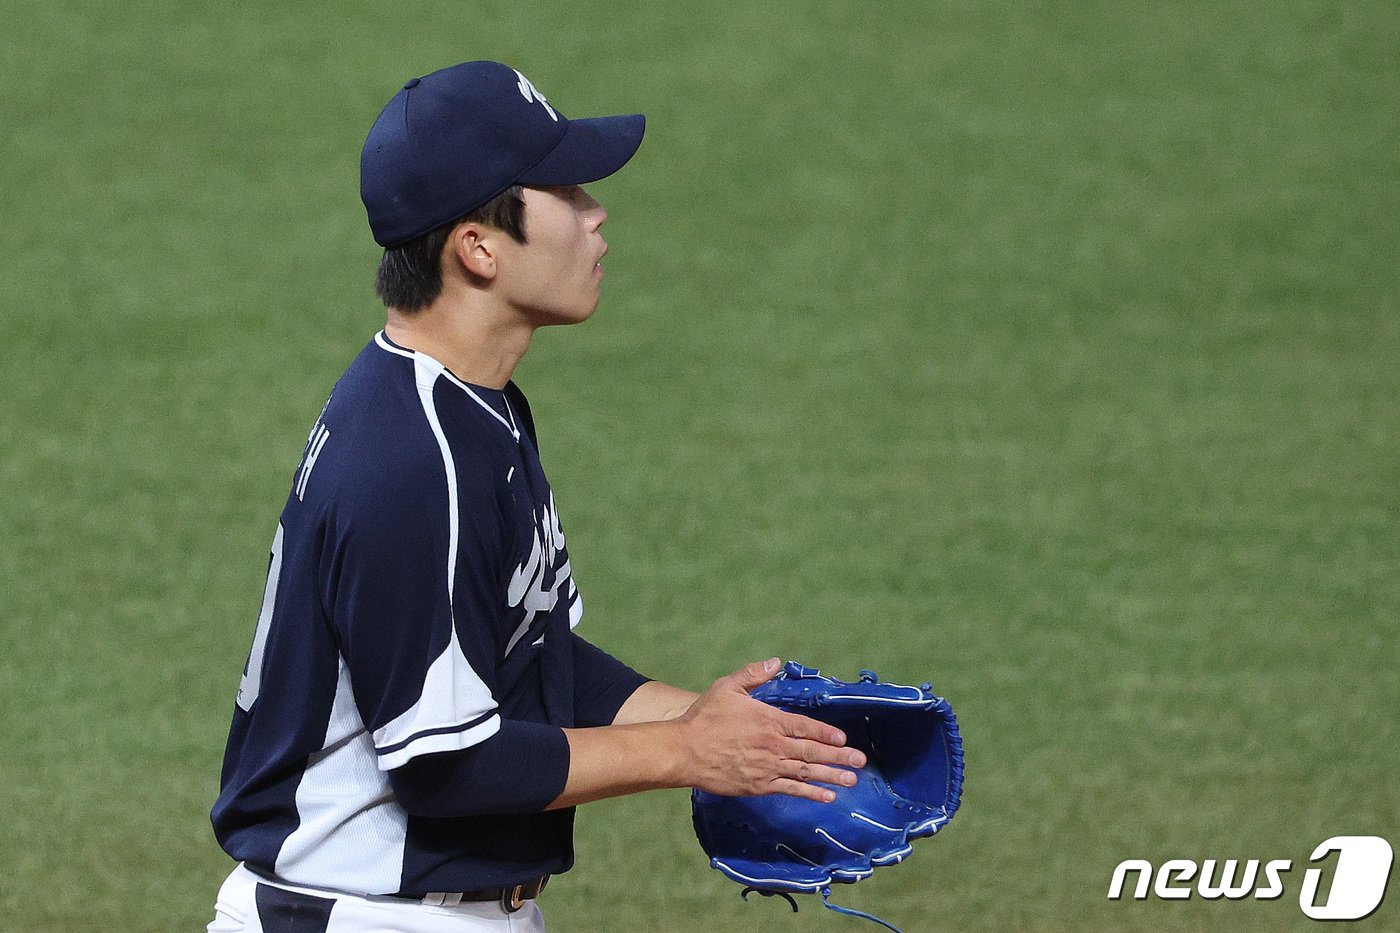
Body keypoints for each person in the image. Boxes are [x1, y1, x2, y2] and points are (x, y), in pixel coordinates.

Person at [206, 61, 865, 933]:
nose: (596, 213)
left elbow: (532, 654)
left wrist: (724, 723)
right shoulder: (411, 459)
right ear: (478, 245)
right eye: (564, 189)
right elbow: (445, 763)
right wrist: (686, 750)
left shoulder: (475, 406)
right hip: (364, 916)